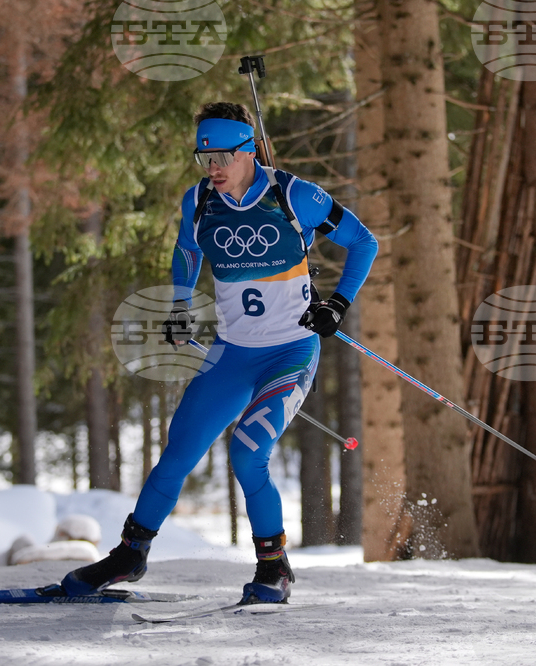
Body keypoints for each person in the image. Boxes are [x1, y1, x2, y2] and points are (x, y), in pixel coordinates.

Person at [60, 102, 378, 604]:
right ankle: (130, 554)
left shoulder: (296, 196)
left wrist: (336, 305)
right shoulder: (200, 200)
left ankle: (274, 567)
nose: (213, 168)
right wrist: (181, 305)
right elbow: (187, 250)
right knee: (179, 450)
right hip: (231, 352)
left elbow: (364, 241)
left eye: (223, 157)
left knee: (248, 453)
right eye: (204, 158)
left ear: (248, 150)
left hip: (290, 351)